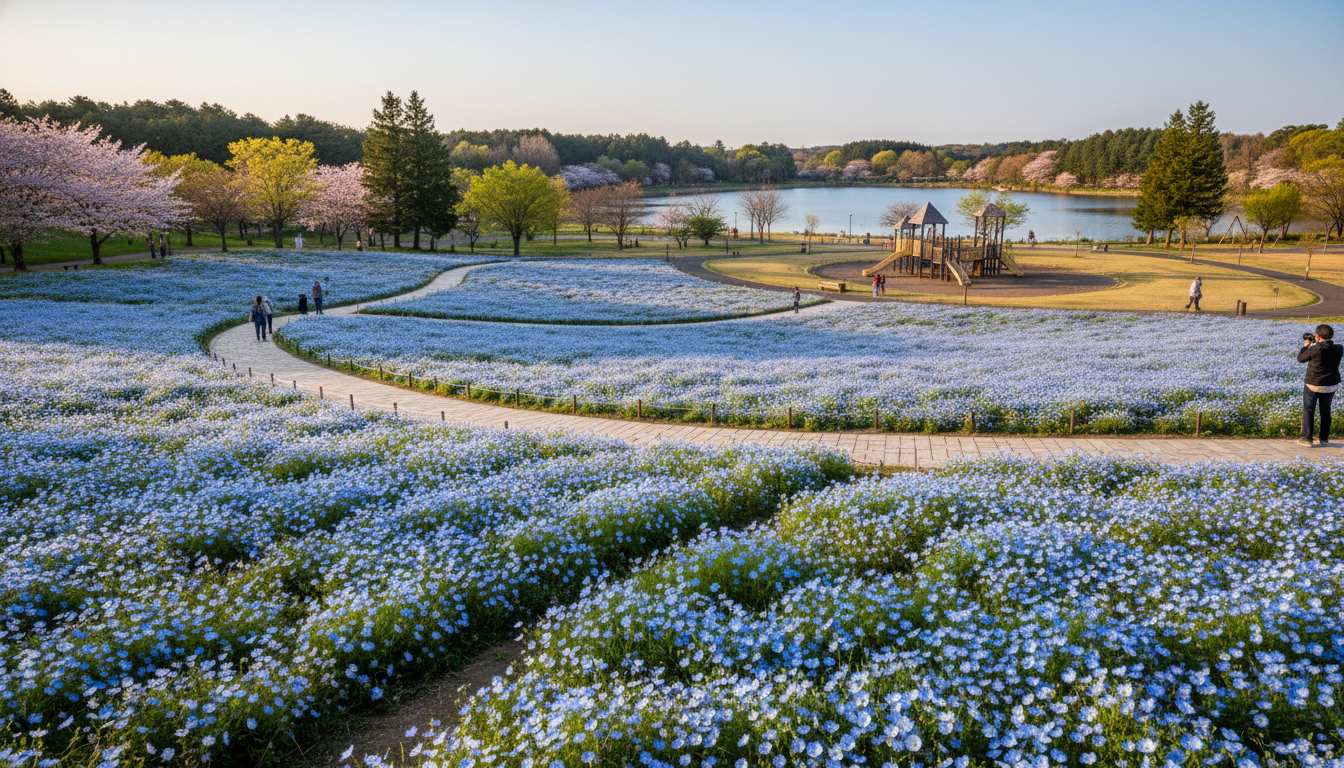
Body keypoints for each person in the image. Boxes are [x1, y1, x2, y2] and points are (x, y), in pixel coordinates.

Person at [1298, 324, 1341, 447]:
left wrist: (1306, 347)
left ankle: (1307, 439)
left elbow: (1301, 359)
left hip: (1313, 384)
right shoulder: (1339, 348)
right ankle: (1324, 438)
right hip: (1330, 385)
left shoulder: (1315, 348)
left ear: (1317, 336)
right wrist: (1314, 344)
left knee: (1309, 410)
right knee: (1326, 411)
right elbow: (1325, 349)